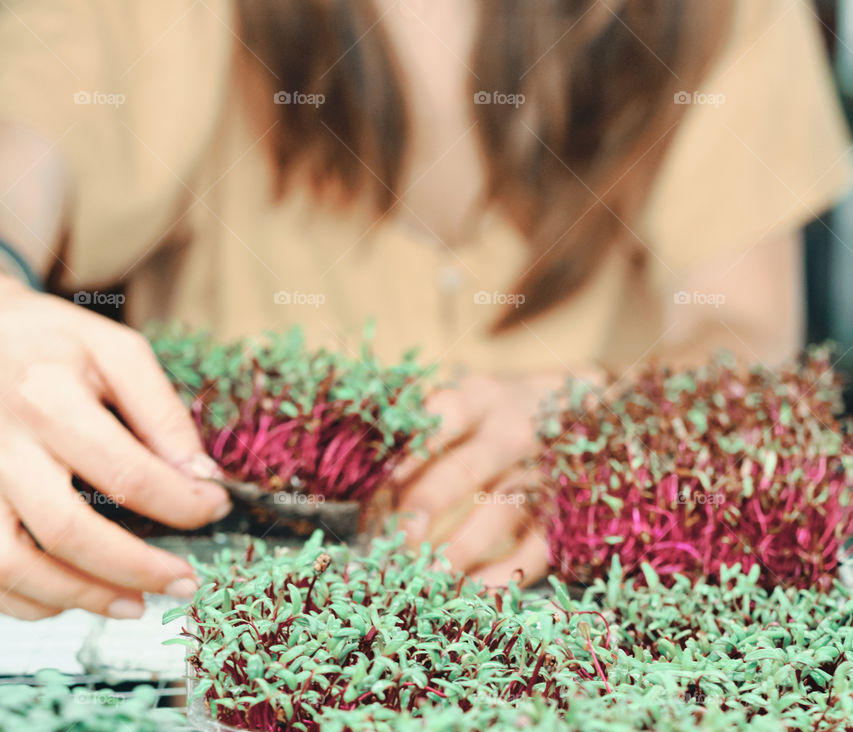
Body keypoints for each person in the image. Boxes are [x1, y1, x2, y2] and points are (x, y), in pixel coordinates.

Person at [0, 0, 849, 618]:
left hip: (601, 640)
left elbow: (744, 336)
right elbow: (22, 154)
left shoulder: (722, 16)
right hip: (210, 638)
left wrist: (600, 416)